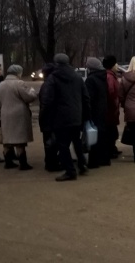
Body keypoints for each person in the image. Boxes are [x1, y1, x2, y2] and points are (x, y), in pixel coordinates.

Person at [40, 53, 91, 182]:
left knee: (63, 145)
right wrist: (85, 115)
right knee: (77, 141)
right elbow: (86, 97)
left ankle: (70, 171)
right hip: (76, 116)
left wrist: (44, 116)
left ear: (56, 63)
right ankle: (82, 164)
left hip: (60, 117)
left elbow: (47, 100)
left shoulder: (53, 77)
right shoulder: (77, 77)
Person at [0, 64, 37, 170]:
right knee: (20, 140)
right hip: (19, 115)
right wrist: (32, 91)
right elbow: (29, 97)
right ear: (18, 72)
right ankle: (23, 163)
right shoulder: (19, 83)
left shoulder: (1, 84)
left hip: (5, 115)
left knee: (7, 140)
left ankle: (8, 162)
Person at [85, 57, 111, 168]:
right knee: (102, 135)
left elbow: (89, 98)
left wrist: (87, 112)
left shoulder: (91, 80)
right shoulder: (103, 77)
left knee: (93, 136)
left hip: (95, 111)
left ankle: (94, 161)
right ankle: (104, 159)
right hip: (103, 109)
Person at [38, 62, 63, 172]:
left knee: (49, 141)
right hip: (50, 117)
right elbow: (46, 103)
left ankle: (50, 162)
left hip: (48, 117)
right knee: (51, 142)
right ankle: (51, 164)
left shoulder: (47, 83)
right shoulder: (50, 84)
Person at [102, 55, 122, 158]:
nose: (117, 65)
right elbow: (111, 93)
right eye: (116, 63)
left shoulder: (111, 75)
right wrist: (115, 103)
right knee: (110, 131)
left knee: (112, 130)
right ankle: (110, 150)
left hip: (111, 109)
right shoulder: (109, 76)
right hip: (110, 110)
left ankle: (112, 148)